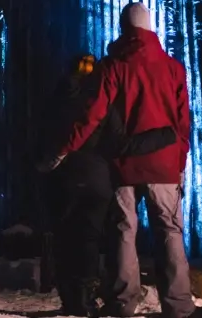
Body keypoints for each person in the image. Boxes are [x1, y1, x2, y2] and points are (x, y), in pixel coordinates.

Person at [40, 3, 202, 318]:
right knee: (170, 231)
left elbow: (93, 115)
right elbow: (183, 122)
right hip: (164, 164)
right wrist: (180, 164)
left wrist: (65, 148)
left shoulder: (113, 66)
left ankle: (123, 304)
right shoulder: (173, 68)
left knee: (123, 231)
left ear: (123, 28)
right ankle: (179, 307)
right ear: (149, 26)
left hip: (125, 163)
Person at [40, 54, 177, 317]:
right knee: (89, 239)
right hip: (96, 179)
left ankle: (71, 299)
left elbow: (41, 138)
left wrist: (42, 163)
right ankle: (85, 301)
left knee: (65, 237)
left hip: (61, 178)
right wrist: (163, 136)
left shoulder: (55, 101)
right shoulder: (100, 101)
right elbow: (121, 144)